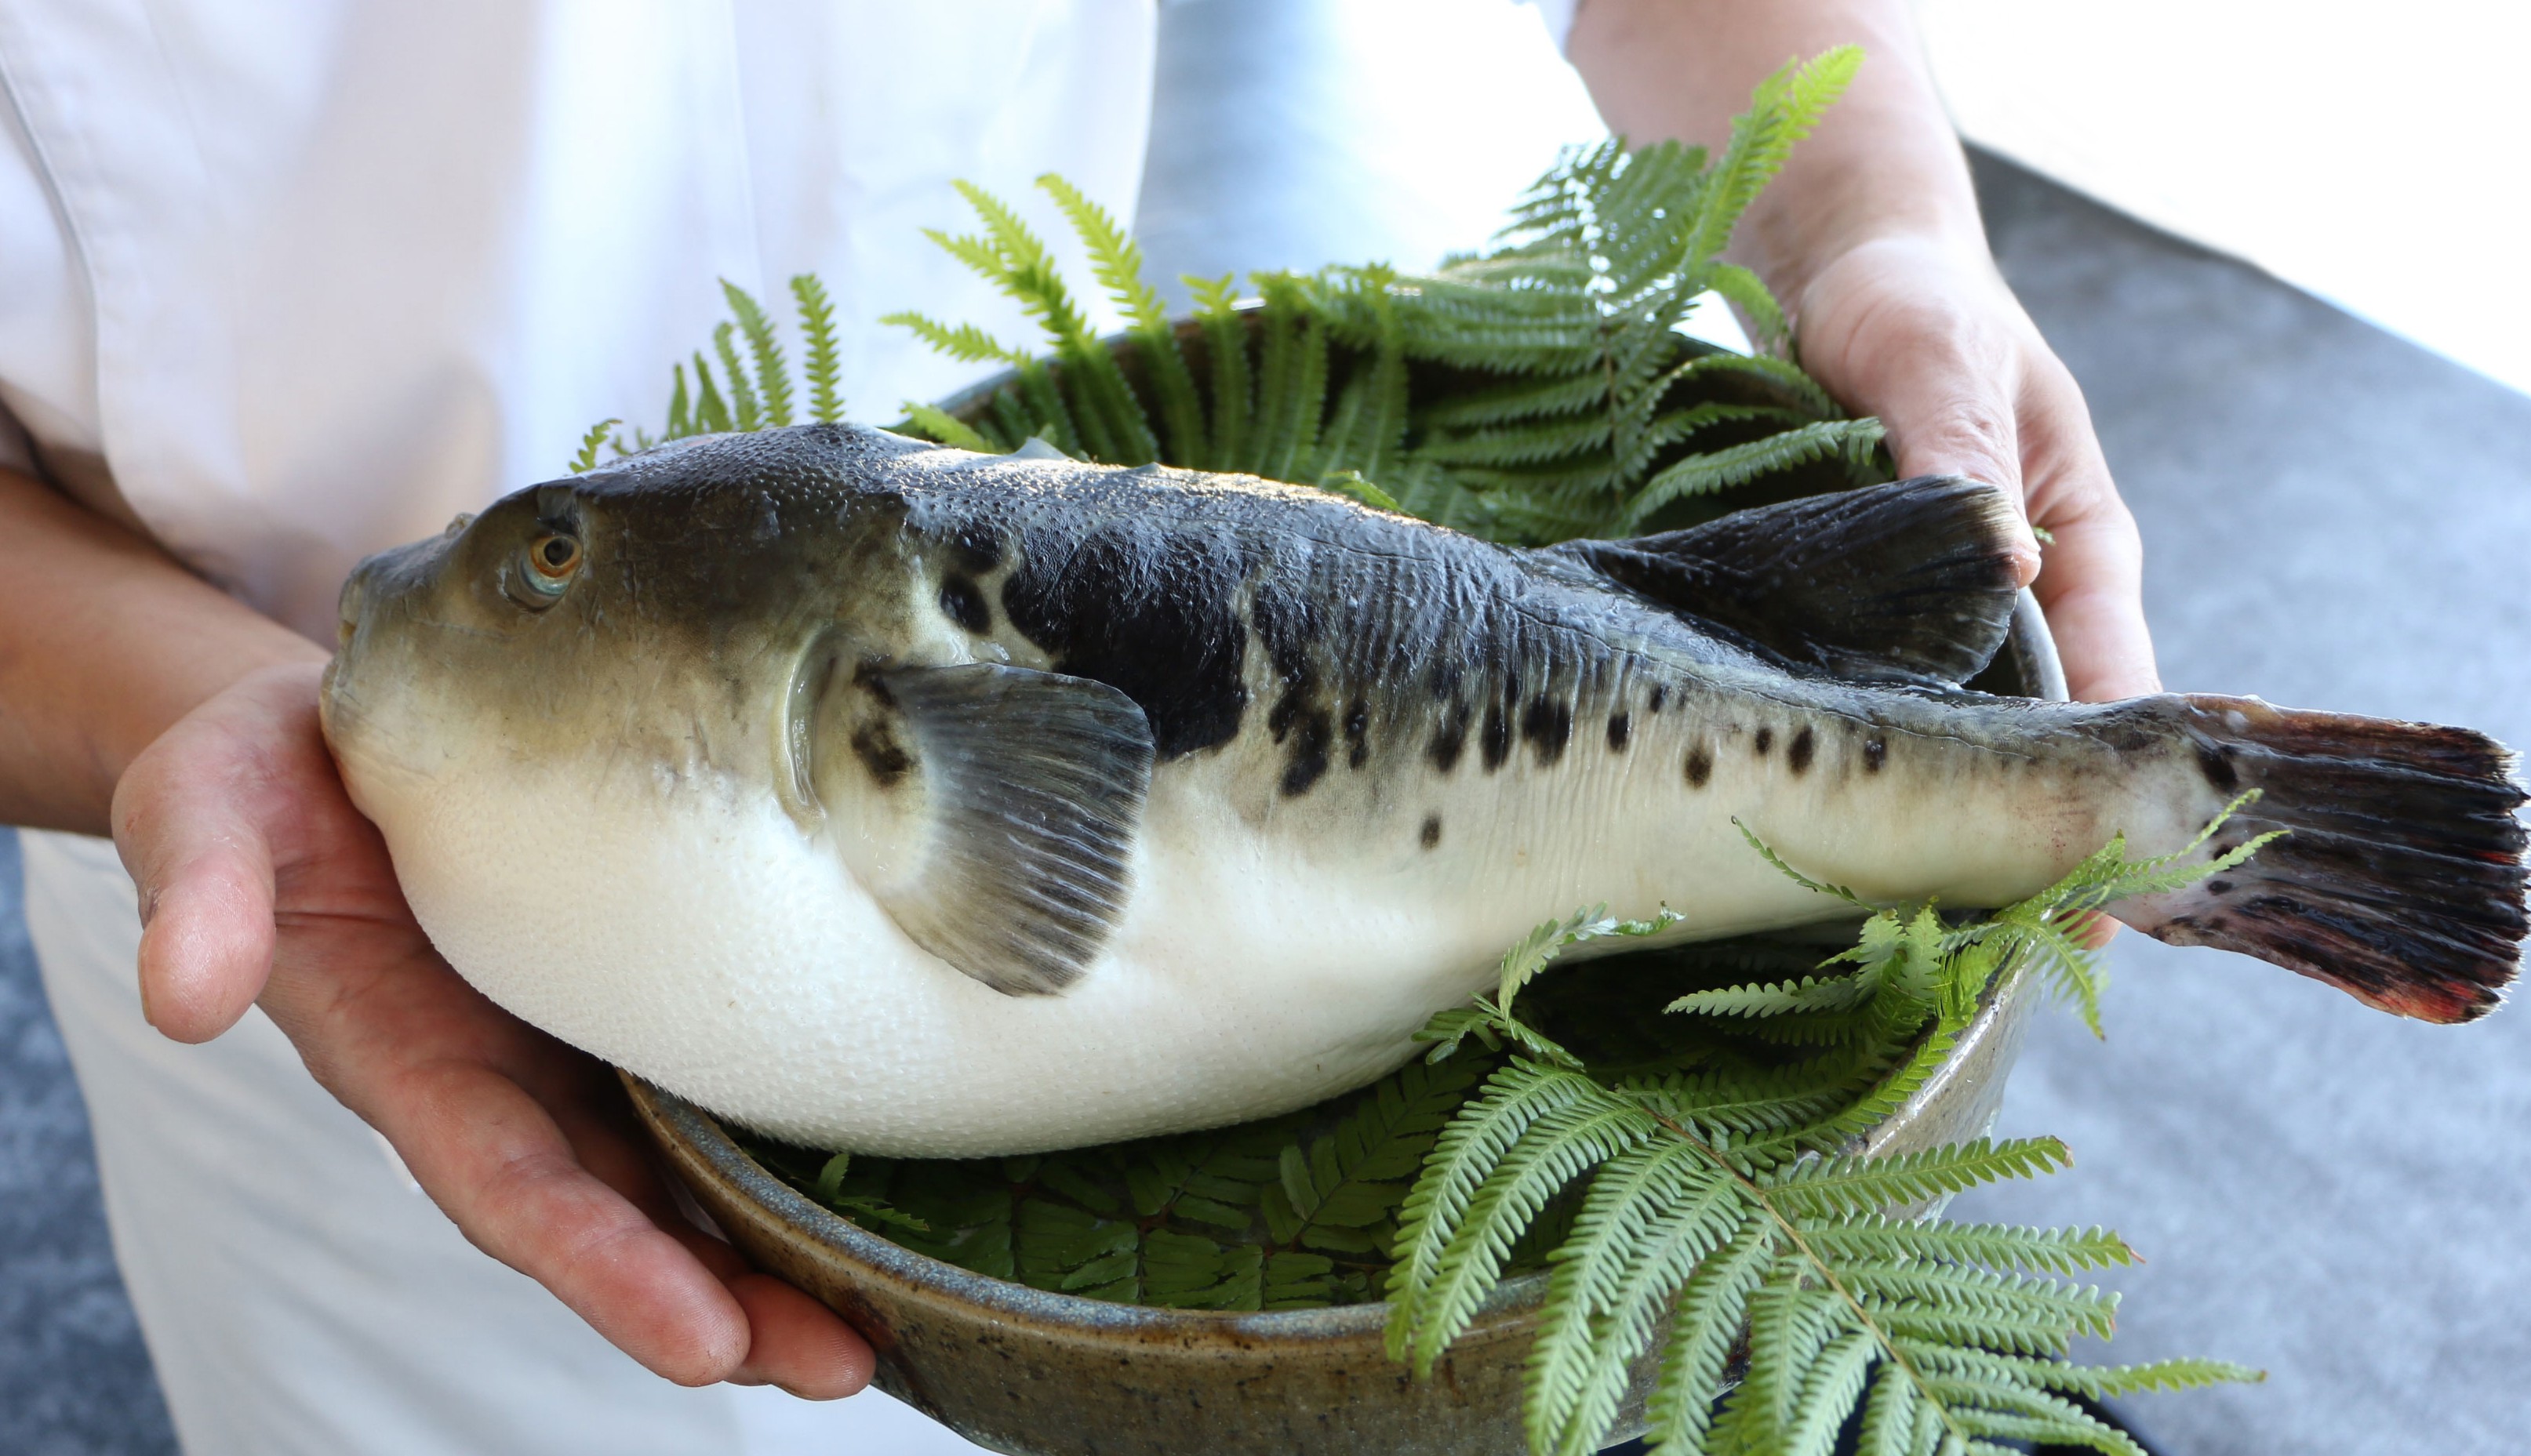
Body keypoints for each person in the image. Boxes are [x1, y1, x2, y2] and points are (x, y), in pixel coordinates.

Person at [0, 1, 2159, 1451]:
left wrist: (1873, 215)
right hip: (304, 918)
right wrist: (186, 705)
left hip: (1071, 551)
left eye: (540, 556)